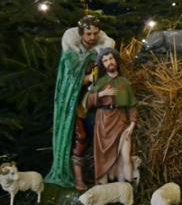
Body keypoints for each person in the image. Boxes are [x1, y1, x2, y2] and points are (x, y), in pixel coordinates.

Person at [46, 15, 115, 190]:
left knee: (101, 134)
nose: (92, 37)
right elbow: (69, 80)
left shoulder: (101, 52)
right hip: (74, 104)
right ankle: (77, 178)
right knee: (81, 137)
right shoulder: (71, 54)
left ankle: (101, 176)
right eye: (88, 34)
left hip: (94, 101)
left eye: (95, 33)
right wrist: (87, 78)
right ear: (81, 33)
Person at [85, 48, 137, 185]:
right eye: (105, 60)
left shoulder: (125, 82)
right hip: (103, 122)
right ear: (103, 64)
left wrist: (132, 125)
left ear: (116, 60)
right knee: (103, 157)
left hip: (121, 121)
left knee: (125, 156)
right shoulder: (100, 82)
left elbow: (132, 105)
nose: (109, 62)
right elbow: (87, 101)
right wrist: (102, 94)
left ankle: (128, 188)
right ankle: (105, 188)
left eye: (111, 58)